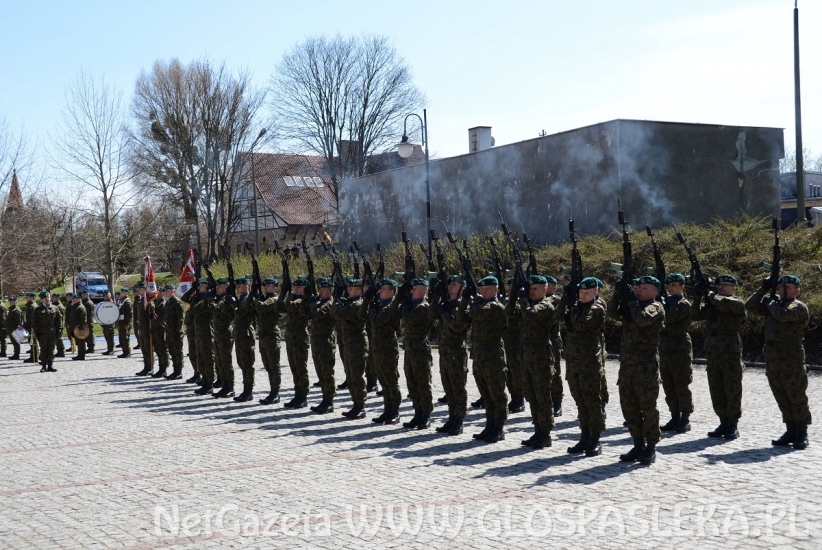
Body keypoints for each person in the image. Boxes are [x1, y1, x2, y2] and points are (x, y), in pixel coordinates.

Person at [745, 274, 811, 450]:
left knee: (796, 395)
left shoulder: (798, 307)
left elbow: (782, 315)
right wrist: (764, 288)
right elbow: (750, 305)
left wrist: (770, 302)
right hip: (773, 356)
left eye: (788, 287)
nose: (783, 290)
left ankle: (802, 433)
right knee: (781, 394)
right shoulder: (775, 304)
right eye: (781, 287)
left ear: (797, 290)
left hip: (791, 357)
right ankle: (790, 430)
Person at [607, 275, 665, 465]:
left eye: (644, 288)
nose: (639, 290)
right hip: (627, 365)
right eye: (637, 287)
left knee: (647, 407)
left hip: (646, 366)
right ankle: (637, 443)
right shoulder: (632, 306)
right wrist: (619, 292)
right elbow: (612, 312)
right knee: (629, 407)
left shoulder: (655, 307)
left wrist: (631, 299)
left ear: (654, 292)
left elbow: (642, 319)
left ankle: (651, 446)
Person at [692, 274, 747, 440]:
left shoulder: (736, 303)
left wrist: (709, 294)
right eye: (719, 285)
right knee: (716, 388)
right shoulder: (713, 302)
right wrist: (697, 296)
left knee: (732, 389)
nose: (721, 287)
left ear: (734, 288)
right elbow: (694, 315)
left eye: (725, 285)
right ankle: (723, 421)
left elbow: (723, 303)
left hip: (730, 351)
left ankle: (733, 424)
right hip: (713, 352)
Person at [563, 277, 607, 457]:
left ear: (596, 292)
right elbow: (560, 318)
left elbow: (580, 324)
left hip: (589, 363)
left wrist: (573, 307)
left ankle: (595, 439)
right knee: (580, 401)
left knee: (593, 402)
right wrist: (566, 298)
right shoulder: (578, 306)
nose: (583, 295)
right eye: (581, 292)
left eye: (587, 292)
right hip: (574, 362)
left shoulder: (597, 308)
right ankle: (584, 436)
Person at [515, 275, 558, 450]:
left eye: (535, 289)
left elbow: (530, 316)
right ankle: (538, 429)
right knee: (532, 396)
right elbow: (511, 312)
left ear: (545, 289)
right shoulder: (528, 304)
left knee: (542, 397)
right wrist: (515, 296)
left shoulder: (546, 305)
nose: (531, 291)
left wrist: (524, 298)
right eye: (530, 288)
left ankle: (545, 433)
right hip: (527, 357)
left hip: (541, 358)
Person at [468, 276, 509, 443]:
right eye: (481, 289)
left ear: (496, 290)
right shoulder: (480, 304)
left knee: (497, 393)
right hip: (479, 354)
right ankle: (490, 425)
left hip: (493, 355)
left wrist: (474, 302)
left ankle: (498, 427)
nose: (483, 292)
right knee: (486, 394)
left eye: (487, 289)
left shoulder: (495, 306)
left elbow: (475, 313)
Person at [432, 275, 472, 436]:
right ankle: (451, 417)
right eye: (449, 284)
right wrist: (435, 297)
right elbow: (430, 314)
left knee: (458, 388)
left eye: (454, 284)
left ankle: (459, 419)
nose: (450, 286)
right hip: (445, 352)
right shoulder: (447, 304)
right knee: (448, 387)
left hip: (457, 353)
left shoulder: (464, 307)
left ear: (462, 288)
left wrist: (444, 313)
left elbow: (457, 326)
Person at [659, 274, 694, 434]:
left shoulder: (683, 304)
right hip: (665, 347)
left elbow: (667, 318)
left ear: (682, 286)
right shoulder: (666, 302)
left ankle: (685, 418)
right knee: (668, 384)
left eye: (674, 284)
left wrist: (661, 302)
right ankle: (674, 416)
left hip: (679, 348)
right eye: (669, 285)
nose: (670, 287)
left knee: (681, 384)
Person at [334, 278, 372, 419]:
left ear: (358, 290)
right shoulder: (351, 303)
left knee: (357, 375)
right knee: (350, 375)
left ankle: (360, 406)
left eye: (350, 289)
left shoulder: (357, 304)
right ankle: (355, 404)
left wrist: (337, 300)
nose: (348, 291)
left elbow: (337, 313)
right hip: (349, 343)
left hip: (357, 344)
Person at [401, 278, 435, 429]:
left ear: (425, 290)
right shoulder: (413, 304)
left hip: (420, 347)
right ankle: (418, 413)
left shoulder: (423, 306)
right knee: (411, 382)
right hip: (409, 347)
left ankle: (426, 414)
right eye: (412, 288)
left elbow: (408, 319)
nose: (412, 291)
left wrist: (405, 303)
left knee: (422, 382)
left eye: (416, 288)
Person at [368, 278, 402, 424]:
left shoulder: (394, 306)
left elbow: (379, 319)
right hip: (377, 346)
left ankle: (395, 411)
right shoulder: (379, 305)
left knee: (391, 380)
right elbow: (370, 319)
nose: (380, 291)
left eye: (383, 289)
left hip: (388, 347)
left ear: (391, 292)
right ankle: (387, 409)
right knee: (383, 380)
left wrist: (376, 310)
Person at [255, 277, 286, 404]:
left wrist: (257, 298)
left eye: (270, 286)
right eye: (266, 286)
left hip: (272, 335)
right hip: (263, 335)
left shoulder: (274, 300)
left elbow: (260, 307)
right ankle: (272, 390)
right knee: (267, 365)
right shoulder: (264, 298)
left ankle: (275, 392)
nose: (267, 288)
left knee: (274, 365)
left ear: (276, 287)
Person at [308, 277, 337, 413]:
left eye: (323, 289)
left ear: (330, 291)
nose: (320, 291)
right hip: (316, 340)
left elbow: (318, 314)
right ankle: (324, 398)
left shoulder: (330, 304)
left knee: (327, 371)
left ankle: (329, 400)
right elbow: (307, 314)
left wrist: (313, 303)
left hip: (326, 340)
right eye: (319, 289)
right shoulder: (320, 302)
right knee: (320, 371)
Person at [283, 276, 311, 408]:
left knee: (301, 368)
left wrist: (291, 295)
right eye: (295, 287)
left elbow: (289, 306)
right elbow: (281, 307)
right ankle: (297, 393)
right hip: (290, 338)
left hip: (300, 338)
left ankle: (303, 396)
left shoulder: (303, 301)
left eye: (299, 287)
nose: (296, 289)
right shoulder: (294, 298)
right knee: (294, 367)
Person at [503, 277, 526, 414]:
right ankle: (513, 396)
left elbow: (513, 312)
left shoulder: (521, 302)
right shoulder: (507, 300)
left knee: (517, 371)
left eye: (513, 286)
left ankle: (520, 398)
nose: (511, 288)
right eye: (510, 285)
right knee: (509, 372)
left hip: (517, 342)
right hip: (506, 340)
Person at [232, 277, 257, 401]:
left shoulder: (248, 299)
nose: (237, 288)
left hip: (246, 334)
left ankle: (249, 390)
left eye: (240, 286)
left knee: (247, 363)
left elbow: (241, 314)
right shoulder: (240, 298)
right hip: (239, 334)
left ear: (247, 286)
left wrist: (234, 305)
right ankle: (245, 389)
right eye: (237, 286)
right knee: (241, 362)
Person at [211, 278, 236, 397]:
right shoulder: (220, 299)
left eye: (219, 286)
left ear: (226, 287)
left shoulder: (227, 299)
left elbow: (219, 309)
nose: (217, 288)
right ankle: (224, 385)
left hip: (225, 334)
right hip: (217, 333)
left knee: (226, 362)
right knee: (219, 361)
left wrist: (211, 299)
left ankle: (230, 387)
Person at [545, 276, 564, 416]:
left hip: (553, 340)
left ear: (554, 287)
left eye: (548, 285)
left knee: (555, 372)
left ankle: (557, 402)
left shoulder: (556, 300)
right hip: (538, 341)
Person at [32, 291, 59, 372]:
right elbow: (34, 322)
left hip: (52, 332)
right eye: (45, 298)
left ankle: (50, 365)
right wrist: (37, 332)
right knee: (43, 349)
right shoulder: (38, 309)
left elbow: (59, 320)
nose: (47, 299)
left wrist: (59, 330)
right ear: (41, 300)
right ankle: (43, 365)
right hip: (42, 333)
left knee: (51, 349)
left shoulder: (54, 308)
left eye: (48, 297)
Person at [163, 285, 185, 380]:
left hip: (176, 331)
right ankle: (174, 370)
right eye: (166, 291)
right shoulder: (168, 302)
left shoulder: (177, 302)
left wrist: (177, 331)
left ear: (173, 291)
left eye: (167, 290)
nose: (166, 292)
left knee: (177, 352)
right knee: (172, 351)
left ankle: (179, 371)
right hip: (169, 330)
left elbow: (180, 319)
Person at [70, 294, 88, 361]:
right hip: (75, 328)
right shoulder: (74, 307)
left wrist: (81, 327)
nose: (73, 300)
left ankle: (81, 355)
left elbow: (83, 319)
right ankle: (79, 354)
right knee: (78, 342)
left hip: (79, 328)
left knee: (81, 342)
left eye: (74, 299)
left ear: (78, 300)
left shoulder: (80, 308)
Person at [117, 288, 133, 358]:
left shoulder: (127, 302)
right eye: (121, 292)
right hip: (121, 322)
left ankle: (127, 352)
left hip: (125, 323)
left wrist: (127, 324)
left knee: (125, 338)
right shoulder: (121, 301)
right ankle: (124, 351)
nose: (122, 293)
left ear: (126, 293)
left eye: (123, 292)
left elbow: (129, 314)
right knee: (122, 338)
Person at [51, 293, 66, 358]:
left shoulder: (60, 307)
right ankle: (59, 351)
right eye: (53, 297)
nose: (53, 298)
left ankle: (61, 351)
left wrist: (59, 327)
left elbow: (60, 318)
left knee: (59, 339)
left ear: (58, 298)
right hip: (55, 325)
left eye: (55, 297)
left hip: (59, 325)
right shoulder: (54, 305)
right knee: (56, 339)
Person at [23, 292, 35, 362]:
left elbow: (31, 319)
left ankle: (34, 357)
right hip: (30, 327)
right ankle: (33, 356)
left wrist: (24, 325)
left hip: (32, 327)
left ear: (31, 298)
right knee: (31, 342)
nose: (26, 298)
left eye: (27, 297)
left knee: (33, 342)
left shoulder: (32, 307)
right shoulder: (30, 306)